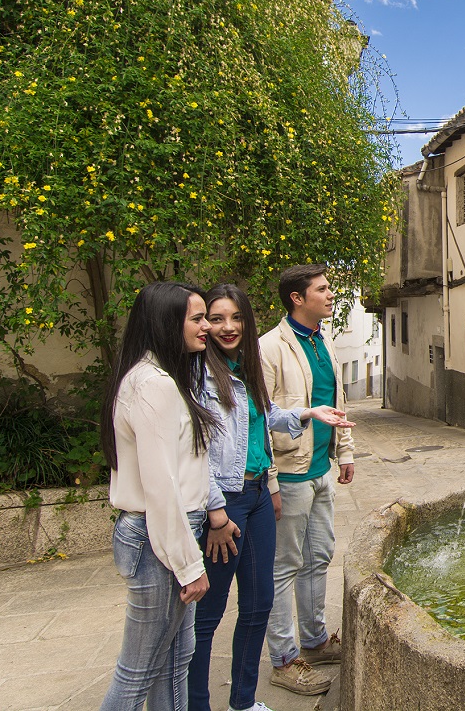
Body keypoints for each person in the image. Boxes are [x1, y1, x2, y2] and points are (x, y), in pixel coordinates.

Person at [189, 283, 354, 711]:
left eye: (236, 318)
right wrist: (217, 512)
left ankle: (243, 702)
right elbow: (195, 450)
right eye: (216, 318)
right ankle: (196, 704)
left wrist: (308, 413)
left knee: (258, 602)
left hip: (259, 491)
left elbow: (267, 416)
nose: (227, 327)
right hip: (227, 501)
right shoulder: (198, 375)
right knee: (208, 616)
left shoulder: (243, 367)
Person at [99, 282, 214, 711]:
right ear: (167, 322)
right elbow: (161, 487)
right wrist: (188, 566)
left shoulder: (155, 378)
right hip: (159, 539)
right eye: (197, 318)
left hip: (163, 535)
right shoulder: (154, 386)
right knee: (138, 673)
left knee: (174, 661)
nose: (207, 327)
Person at [261, 264, 356, 696]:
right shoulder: (269, 348)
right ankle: (283, 659)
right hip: (289, 472)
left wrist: (345, 452)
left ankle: (315, 641)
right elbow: (258, 420)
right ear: (298, 298)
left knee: (319, 555)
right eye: (322, 289)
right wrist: (271, 483)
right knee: (284, 566)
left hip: (321, 470)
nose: (331, 294)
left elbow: (334, 401)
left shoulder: (324, 341)